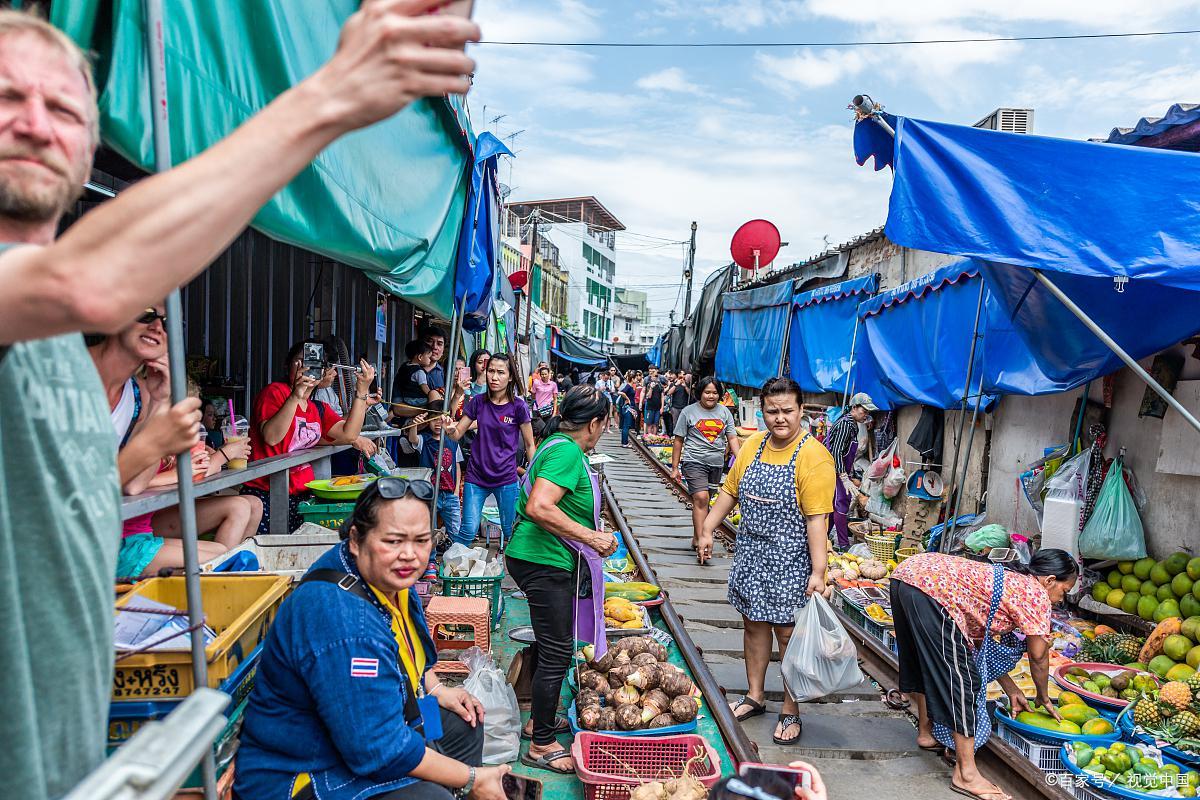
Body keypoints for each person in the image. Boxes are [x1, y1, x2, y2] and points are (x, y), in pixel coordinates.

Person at [0, 6, 476, 797]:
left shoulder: (58, 356)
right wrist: (329, 99)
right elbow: (87, 278)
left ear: (88, 142)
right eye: (10, 97)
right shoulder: (44, 297)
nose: (38, 122)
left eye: (64, 107)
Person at [236, 477, 509, 800]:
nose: (409, 555)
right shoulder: (347, 621)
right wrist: (472, 778)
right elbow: (380, 748)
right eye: (393, 541)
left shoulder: (387, 579)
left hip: (370, 725)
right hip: (306, 770)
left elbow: (408, 651)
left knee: (464, 725)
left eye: (421, 541)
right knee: (431, 797)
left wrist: (436, 689)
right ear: (355, 540)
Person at [701, 377, 834, 746]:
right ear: (762, 412)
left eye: (787, 411)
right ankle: (755, 696)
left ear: (801, 411)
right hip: (752, 556)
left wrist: (818, 572)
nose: (780, 419)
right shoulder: (753, 446)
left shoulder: (814, 457)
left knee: (788, 636)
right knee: (754, 626)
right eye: (772, 411)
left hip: (792, 560)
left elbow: (817, 520)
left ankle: (791, 709)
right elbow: (729, 491)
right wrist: (708, 528)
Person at [891, 550, 1076, 800]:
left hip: (908, 576)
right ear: (1050, 580)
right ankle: (966, 774)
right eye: (1064, 592)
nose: (1059, 601)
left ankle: (926, 732)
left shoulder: (1013, 580)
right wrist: (1043, 696)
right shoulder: (1036, 595)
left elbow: (980, 648)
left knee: (925, 662)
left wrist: (1011, 688)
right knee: (962, 682)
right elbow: (1039, 656)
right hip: (933, 590)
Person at [88, 311, 261, 577]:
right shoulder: (74, 378)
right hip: (92, 540)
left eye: (168, 323)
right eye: (146, 315)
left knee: (230, 556)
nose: (157, 327)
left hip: (131, 532)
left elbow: (135, 484)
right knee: (223, 559)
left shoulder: (140, 394)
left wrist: (159, 402)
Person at [506, 386, 619, 773]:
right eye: (605, 424)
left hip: (540, 557)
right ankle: (541, 745)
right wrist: (592, 537)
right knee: (557, 650)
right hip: (543, 560)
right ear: (594, 423)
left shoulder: (556, 444)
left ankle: (540, 719)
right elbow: (540, 505)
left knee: (551, 641)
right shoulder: (567, 451)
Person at [242, 340, 380, 534]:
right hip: (268, 493)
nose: (306, 367)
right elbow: (271, 437)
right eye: (300, 361)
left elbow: (349, 434)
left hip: (301, 493)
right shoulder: (274, 392)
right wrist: (296, 395)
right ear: (287, 365)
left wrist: (362, 390)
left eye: (314, 363)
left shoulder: (317, 408)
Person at [442, 353, 535, 548]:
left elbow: (529, 444)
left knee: (511, 530)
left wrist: (534, 476)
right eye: (491, 371)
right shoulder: (478, 402)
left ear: (510, 377)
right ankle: (453, 572)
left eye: (500, 372)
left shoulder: (519, 406)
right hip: (476, 477)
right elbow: (457, 434)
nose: (494, 377)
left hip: (506, 478)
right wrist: (450, 430)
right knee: (468, 529)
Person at [671, 377, 741, 557]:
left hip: (716, 463)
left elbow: (732, 438)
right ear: (700, 393)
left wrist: (740, 461)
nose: (711, 396)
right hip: (693, 461)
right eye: (707, 392)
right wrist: (675, 467)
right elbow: (678, 440)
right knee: (701, 498)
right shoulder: (688, 412)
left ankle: (697, 537)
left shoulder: (725, 412)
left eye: (715, 392)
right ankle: (703, 537)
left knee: (705, 500)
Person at [403, 402, 464, 565]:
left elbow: (457, 466)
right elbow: (412, 438)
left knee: (455, 531)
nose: (438, 424)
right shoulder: (424, 440)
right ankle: (430, 562)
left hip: (449, 494)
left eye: (441, 420)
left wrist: (456, 489)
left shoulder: (453, 440)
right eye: (433, 420)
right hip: (430, 494)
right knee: (429, 529)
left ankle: (455, 561)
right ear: (427, 422)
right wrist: (415, 425)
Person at [825, 392, 877, 549]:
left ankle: (823, 538)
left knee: (835, 505)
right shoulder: (845, 425)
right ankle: (844, 545)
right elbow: (837, 453)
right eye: (864, 411)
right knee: (841, 504)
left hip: (840, 471)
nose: (865, 415)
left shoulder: (853, 424)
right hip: (833, 471)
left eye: (868, 412)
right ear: (854, 407)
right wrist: (844, 477)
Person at [393, 339, 439, 410]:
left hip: (405, 398)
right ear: (420, 357)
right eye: (429, 357)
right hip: (417, 400)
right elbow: (424, 387)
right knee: (436, 404)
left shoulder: (404, 366)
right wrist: (432, 396)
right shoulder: (419, 372)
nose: (430, 360)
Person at [530, 364, 559, 440]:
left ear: (549, 374)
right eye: (542, 374)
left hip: (548, 410)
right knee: (537, 431)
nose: (544, 376)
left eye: (545, 374)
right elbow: (533, 395)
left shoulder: (553, 384)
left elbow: (555, 399)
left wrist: (554, 412)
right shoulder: (536, 383)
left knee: (548, 431)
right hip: (537, 410)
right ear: (540, 375)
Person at [640, 365, 668, 436]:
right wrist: (641, 402)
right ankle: (649, 436)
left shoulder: (661, 378)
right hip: (649, 404)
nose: (651, 373)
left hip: (658, 405)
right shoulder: (646, 379)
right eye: (650, 372)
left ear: (656, 371)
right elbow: (644, 392)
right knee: (649, 423)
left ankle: (654, 437)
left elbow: (663, 394)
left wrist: (662, 407)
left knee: (655, 423)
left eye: (653, 371)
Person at [421, 324, 447, 396]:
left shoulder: (446, 375)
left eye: (439, 344)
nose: (434, 347)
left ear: (443, 349)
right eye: (430, 341)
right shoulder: (408, 369)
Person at [616, 371, 638, 447]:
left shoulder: (631, 386)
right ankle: (625, 443)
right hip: (627, 408)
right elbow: (620, 392)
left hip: (629, 407)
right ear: (632, 379)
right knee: (626, 426)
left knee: (626, 426)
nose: (637, 380)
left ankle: (624, 442)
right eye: (636, 378)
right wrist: (627, 399)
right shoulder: (628, 386)